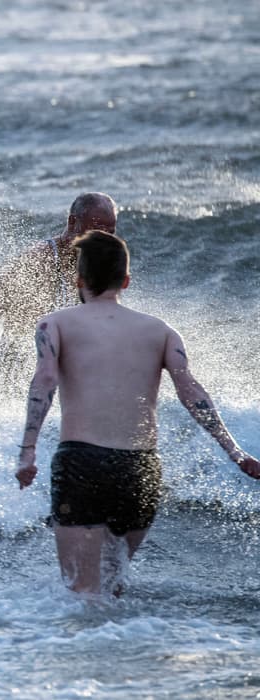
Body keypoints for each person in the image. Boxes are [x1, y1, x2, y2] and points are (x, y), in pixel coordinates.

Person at [15, 230, 260, 597]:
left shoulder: (55, 324)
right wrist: (235, 451)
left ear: (78, 280)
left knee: (81, 592)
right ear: (126, 281)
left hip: (83, 462)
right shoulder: (161, 332)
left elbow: (45, 381)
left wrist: (28, 450)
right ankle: (128, 651)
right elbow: (192, 393)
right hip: (140, 469)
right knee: (114, 587)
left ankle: (80, 652)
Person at [0, 193, 118, 396]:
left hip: (61, 390)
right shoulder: (35, 262)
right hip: (11, 391)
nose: (104, 241)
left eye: (110, 232)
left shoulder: (97, 268)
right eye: (96, 231)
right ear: (72, 222)